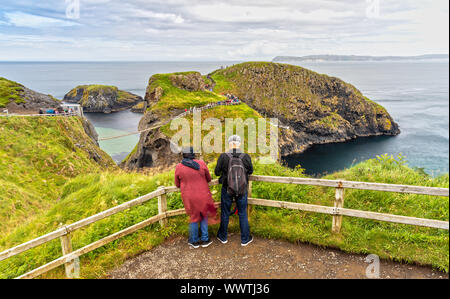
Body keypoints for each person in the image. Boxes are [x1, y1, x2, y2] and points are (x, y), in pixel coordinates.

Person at [215, 135, 254, 246]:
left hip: (227, 188)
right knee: (242, 213)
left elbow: (217, 172)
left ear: (229, 144)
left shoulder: (223, 156)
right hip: (242, 189)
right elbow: (250, 171)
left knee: (225, 212)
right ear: (239, 144)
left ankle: (223, 237)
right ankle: (245, 239)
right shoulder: (245, 156)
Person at [175, 147, 217, 249]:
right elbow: (209, 178)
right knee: (204, 215)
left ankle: (194, 241)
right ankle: (205, 239)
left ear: (183, 155)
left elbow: (177, 184)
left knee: (194, 217)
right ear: (193, 154)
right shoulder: (201, 163)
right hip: (203, 194)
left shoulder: (179, 167)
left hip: (190, 197)